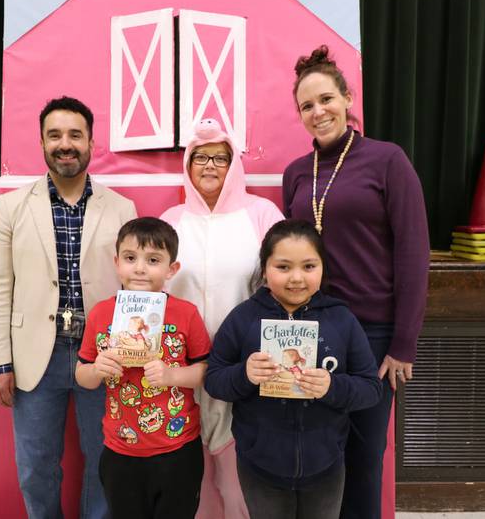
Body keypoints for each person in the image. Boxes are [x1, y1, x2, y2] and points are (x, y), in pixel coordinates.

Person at [282, 45, 430, 519]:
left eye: (326, 99)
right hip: (312, 330)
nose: (318, 111)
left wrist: (403, 342)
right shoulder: (294, 174)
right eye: (307, 106)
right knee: (318, 456)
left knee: (364, 460)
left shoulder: (387, 160)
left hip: (372, 334)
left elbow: (413, 252)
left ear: (347, 99)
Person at [0, 96, 137, 519]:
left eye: (74, 135)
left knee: (105, 460)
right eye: (54, 135)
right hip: (34, 357)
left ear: (90, 142)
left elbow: (132, 288)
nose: (65, 144)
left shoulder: (121, 208)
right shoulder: (11, 207)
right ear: (42, 142)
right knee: (35, 468)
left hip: (101, 355)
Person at [204, 219, 382, 519]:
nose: (296, 278)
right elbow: (213, 379)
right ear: (264, 269)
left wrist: (332, 387)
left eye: (309, 266)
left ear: (323, 267)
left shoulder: (341, 320)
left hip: (326, 466)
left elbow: (371, 389)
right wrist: (244, 374)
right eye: (283, 267)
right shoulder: (244, 318)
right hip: (259, 465)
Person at [160, 118, 283, 519]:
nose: (210, 165)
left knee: (237, 474)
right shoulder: (171, 220)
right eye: (200, 157)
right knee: (189, 475)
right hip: (182, 370)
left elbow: (282, 284)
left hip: (243, 368)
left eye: (220, 158)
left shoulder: (262, 214)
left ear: (234, 166)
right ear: (187, 164)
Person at [75, 217, 211, 519]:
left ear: (171, 269)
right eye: (130, 258)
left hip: (178, 449)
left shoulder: (185, 314)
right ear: (117, 262)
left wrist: (173, 375)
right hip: (120, 451)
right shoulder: (101, 314)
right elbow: (82, 375)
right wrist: (97, 369)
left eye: (153, 260)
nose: (139, 268)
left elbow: (207, 370)